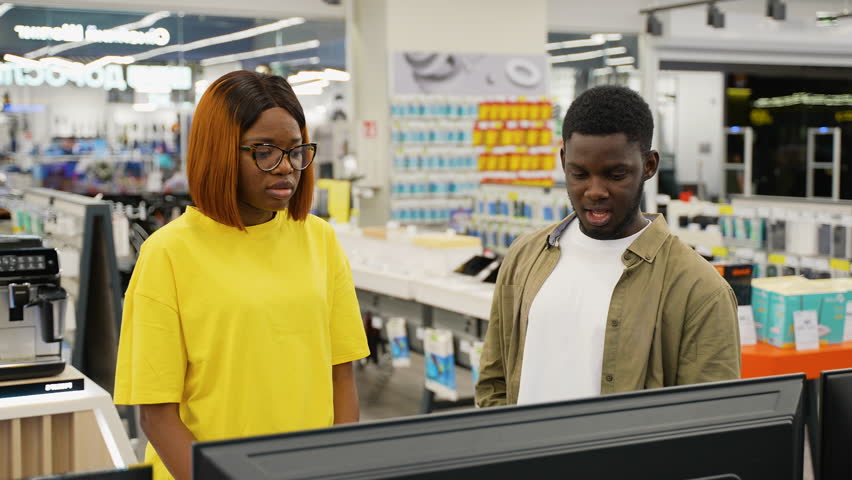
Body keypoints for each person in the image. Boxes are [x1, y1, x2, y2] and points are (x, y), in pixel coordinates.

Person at [114, 71, 370, 480]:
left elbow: (342, 376)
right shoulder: (167, 254)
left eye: (295, 150)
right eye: (265, 151)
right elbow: (157, 415)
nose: (285, 167)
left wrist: (335, 466)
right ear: (219, 151)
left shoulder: (319, 240)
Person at [475, 85, 740, 407]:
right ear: (563, 161)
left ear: (649, 165)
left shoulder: (699, 289)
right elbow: (494, 380)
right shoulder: (526, 254)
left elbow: (708, 420)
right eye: (579, 174)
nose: (595, 191)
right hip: (527, 456)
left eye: (616, 175)